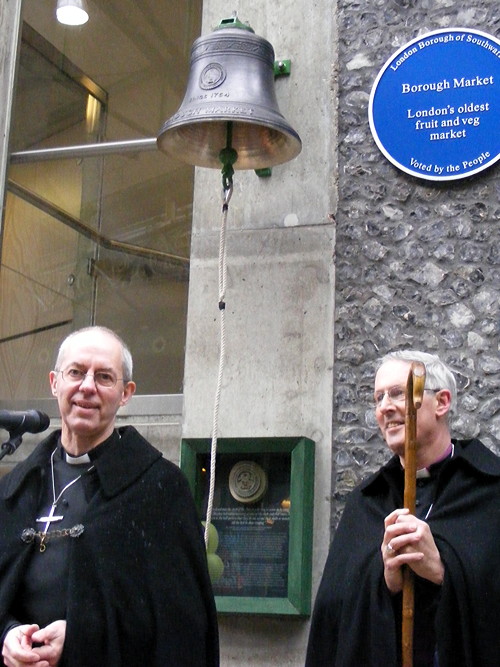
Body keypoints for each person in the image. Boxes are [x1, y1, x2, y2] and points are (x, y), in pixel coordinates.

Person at [0, 326, 219, 667]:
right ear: (54, 382)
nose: (87, 387)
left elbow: (180, 626)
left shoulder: (158, 488)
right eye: (76, 372)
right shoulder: (17, 487)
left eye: (104, 377)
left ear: (125, 393)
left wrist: (82, 638)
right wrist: (7, 634)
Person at [305, 350, 500, 667]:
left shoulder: (490, 491)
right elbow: (333, 615)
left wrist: (443, 572)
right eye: (378, 398)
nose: (385, 407)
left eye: (398, 394)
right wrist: (384, 580)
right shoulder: (367, 502)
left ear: (442, 402)